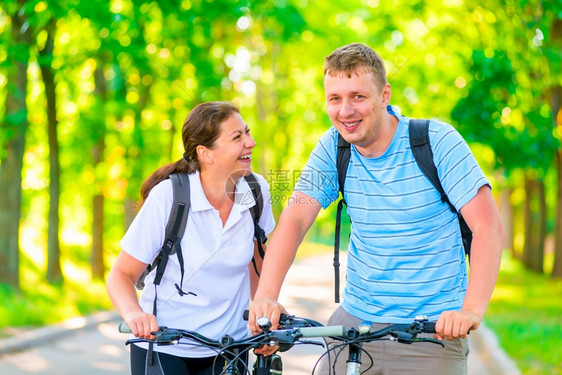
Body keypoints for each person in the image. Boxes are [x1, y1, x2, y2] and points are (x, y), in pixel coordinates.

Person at [248, 43, 504, 374]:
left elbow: (487, 227)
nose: (345, 110)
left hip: (431, 333)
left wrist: (470, 311)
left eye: (358, 96)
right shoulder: (334, 146)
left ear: (384, 96)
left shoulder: (436, 142)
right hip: (355, 325)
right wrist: (266, 296)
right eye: (335, 99)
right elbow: (295, 219)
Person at [106, 101, 275, 375]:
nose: (251, 142)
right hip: (164, 344)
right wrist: (134, 314)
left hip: (230, 346)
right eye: (237, 137)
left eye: (248, 132)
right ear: (205, 153)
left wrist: (262, 318)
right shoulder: (169, 197)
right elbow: (120, 275)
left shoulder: (254, 190)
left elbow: (258, 264)